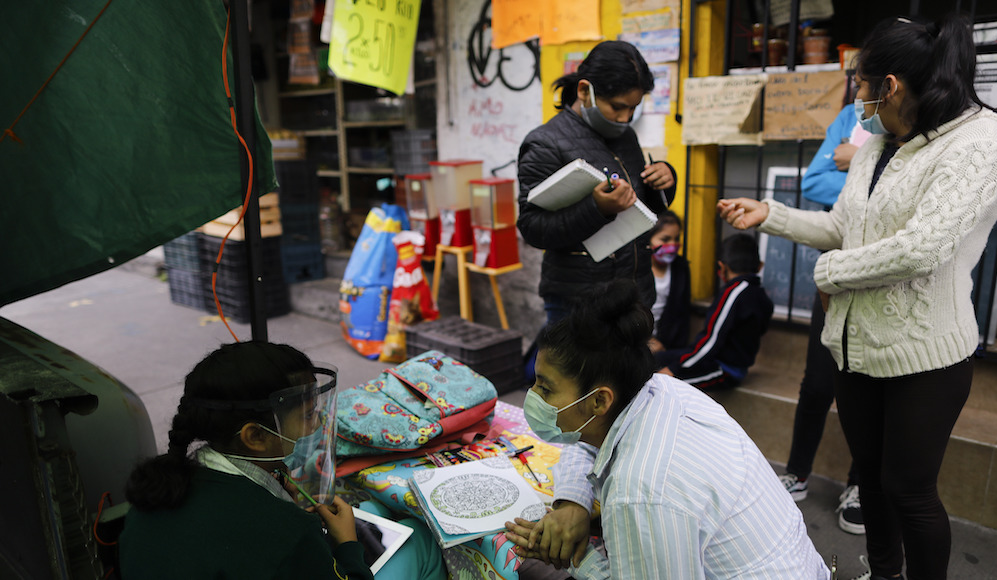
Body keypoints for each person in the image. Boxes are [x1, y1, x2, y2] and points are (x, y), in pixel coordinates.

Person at [718, 15, 997, 580]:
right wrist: (772, 216)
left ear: (891, 86)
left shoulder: (981, 142)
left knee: (911, 490)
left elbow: (921, 249)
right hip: (855, 352)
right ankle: (883, 573)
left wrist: (829, 273)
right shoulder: (878, 143)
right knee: (873, 480)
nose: (855, 96)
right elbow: (844, 227)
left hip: (925, 355)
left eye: (859, 83)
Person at [504, 280, 829, 579]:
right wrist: (572, 504)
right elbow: (587, 441)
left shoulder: (638, 493)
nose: (532, 396)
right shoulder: (658, 390)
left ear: (599, 401)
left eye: (545, 389)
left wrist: (578, 558)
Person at [120, 341, 445, 580]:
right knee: (418, 539)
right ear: (255, 437)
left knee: (372, 512)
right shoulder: (289, 531)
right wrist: (346, 546)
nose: (317, 423)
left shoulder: (160, 489)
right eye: (307, 415)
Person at [517, 40, 677, 326]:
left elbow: (640, 208)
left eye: (633, 108)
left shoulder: (625, 136)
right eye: (617, 107)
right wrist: (597, 209)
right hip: (579, 305)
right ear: (584, 91)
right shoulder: (545, 143)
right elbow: (533, 229)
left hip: (633, 296)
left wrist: (664, 180)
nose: (625, 118)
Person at [778, 102, 867, 536]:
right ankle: (796, 473)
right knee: (817, 381)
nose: (859, 95)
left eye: (866, 83)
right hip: (834, 272)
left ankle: (860, 486)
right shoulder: (850, 119)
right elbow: (815, 181)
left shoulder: (921, 122)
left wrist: (859, 160)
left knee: (870, 389)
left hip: (882, 283)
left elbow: (900, 198)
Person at [655, 233, 773, 389]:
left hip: (725, 369)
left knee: (662, 385)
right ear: (759, 266)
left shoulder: (733, 293)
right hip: (719, 361)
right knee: (655, 360)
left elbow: (710, 342)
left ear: (722, 267)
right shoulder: (761, 295)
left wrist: (673, 369)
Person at [647, 210, 692, 352]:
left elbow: (682, 313)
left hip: (666, 345)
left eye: (676, 239)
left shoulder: (680, 268)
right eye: (665, 239)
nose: (672, 245)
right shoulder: (636, 266)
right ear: (648, 239)